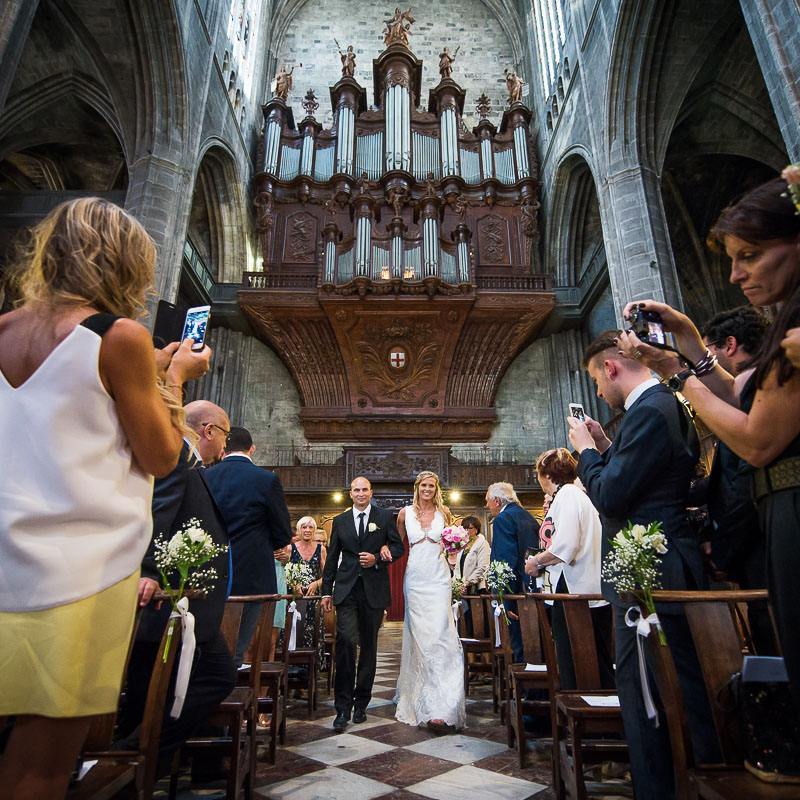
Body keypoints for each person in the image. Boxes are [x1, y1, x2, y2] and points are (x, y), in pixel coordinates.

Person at [0, 197, 209, 800]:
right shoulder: (118, 335)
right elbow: (162, 456)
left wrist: (151, 370)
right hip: (77, 571)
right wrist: (171, 378)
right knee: (40, 766)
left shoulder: (6, 329)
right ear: (122, 262)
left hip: (7, 553)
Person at [615, 175, 800, 714]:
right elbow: (742, 397)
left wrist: (676, 373)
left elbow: (756, 439)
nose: (735, 273)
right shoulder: (784, 327)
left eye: (752, 256)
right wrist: (692, 340)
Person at [567, 330, 719, 800]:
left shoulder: (650, 409)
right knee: (668, 692)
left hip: (651, 571)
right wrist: (608, 445)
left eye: (596, 379)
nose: (597, 390)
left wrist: (586, 453)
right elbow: (642, 478)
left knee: (651, 698)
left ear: (611, 368)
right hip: (659, 562)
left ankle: (666, 789)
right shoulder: (657, 409)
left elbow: (613, 496)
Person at [116, 400, 235, 776]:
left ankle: (152, 759)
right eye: (225, 436)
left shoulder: (189, 462)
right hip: (174, 600)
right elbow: (159, 510)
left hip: (186, 601)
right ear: (209, 430)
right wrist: (150, 571)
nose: (225, 446)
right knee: (213, 675)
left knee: (155, 685)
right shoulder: (177, 457)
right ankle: (133, 753)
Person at [694, 307, 776, 654]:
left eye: (709, 351)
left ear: (729, 345)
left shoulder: (760, 390)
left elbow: (743, 487)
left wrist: (722, 549)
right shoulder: (752, 391)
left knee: (774, 639)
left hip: (766, 541)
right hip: (761, 537)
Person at [524, 449, 613, 690]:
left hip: (576, 589)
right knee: (584, 659)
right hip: (576, 587)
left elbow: (566, 546)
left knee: (579, 661)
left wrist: (536, 562)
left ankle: (588, 719)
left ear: (547, 474)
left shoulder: (569, 495)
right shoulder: (570, 495)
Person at [205, 426, 293, 667]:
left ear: (224, 449)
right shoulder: (266, 480)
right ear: (252, 449)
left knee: (210, 647)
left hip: (210, 575)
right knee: (238, 649)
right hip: (252, 576)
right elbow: (282, 533)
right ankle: (234, 696)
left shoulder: (205, 477)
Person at [320, 477, 404, 731]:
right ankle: (342, 707)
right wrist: (326, 592)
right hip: (346, 590)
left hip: (373, 590)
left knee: (369, 646)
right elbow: (332, 556)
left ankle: (361, 704)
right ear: (350, 493)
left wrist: (378, 557)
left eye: (364, 489)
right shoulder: (340, 521)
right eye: (356, 489)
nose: (360, 493)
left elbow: (397, 548)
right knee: (345, 640)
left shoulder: (384, 516)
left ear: (371, 492)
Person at [394, 471, 466, 730]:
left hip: (438, 579)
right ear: (417, 487)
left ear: (436, 489)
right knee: (421, 637)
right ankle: (421, 695)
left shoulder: (444, 513)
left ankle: (443, 701)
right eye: (423, 485)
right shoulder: (405, 513)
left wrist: (455, 550)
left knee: (442, 634)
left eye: (431, 486)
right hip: (415, 579)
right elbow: (396, 544)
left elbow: (451, 545)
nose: (427, 489)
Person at [486, 482, 540, 662]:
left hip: (515, 593)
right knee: (535, 644)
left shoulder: (503, 519)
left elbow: (504, 561)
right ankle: (536, 689)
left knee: (520, 645)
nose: (487, 505)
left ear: (496, 501)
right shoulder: (528, 516)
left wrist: (505, 597)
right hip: (530, 587)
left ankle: (527, 690)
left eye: (488, 501)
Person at [289, 516, 327, 667]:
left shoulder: (321, 549)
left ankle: (311, 670)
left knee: (312, 635)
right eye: (304, 527)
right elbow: (285, 573)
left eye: (310, 527)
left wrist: (316, 583)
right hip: (294, 599)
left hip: (313, 600)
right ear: (299, 530)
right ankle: (290, 668)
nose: (307, 530)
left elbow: (327, 575)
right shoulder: (290, 548)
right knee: (294, 632)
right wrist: (293, 583)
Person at [453, 516, 490, 594]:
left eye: (469, 528)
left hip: (476, 588)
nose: (466, 531)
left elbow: (483, 567)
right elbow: (457, 567)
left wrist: (467, 583)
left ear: (476, 529)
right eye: (464, 528)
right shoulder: (462, 544)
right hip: (461, 588)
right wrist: (458, 584)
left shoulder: (482, 543)